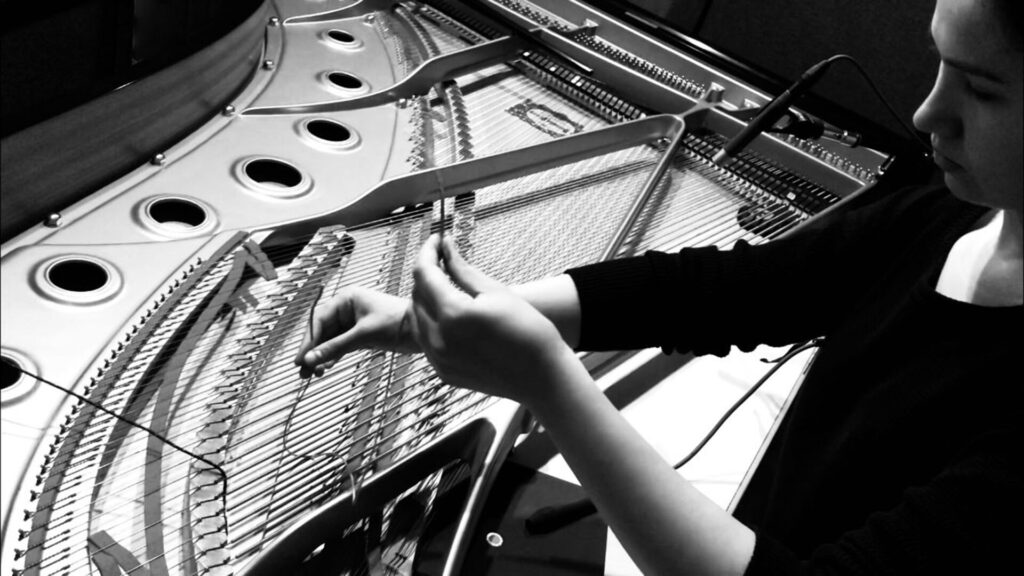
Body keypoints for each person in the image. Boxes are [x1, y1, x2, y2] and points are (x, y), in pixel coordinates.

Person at [296, 0, 1023, 573]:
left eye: (982, 89)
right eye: (938, 64)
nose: (928, 114)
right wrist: (467, 312)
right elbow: (732, 288)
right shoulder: (956, 208)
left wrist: (550, 383)